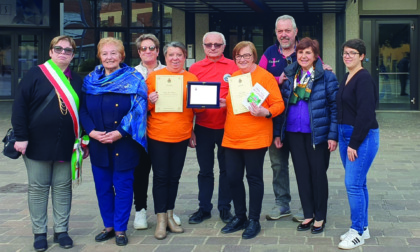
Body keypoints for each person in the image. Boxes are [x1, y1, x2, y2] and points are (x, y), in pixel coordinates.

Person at [12, 35, 84, 251]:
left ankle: (61, 231)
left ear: (72, 55)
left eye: (68, 50)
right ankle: (39, 233)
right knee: (38, 188)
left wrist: (85, 139)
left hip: (66, 143)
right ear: (51, 51)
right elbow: (19, 107)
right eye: (59, 49)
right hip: (35, 142)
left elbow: (83, 112)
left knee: (63, 188)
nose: (63, 53)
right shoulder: (35, 74)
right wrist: (21, 137)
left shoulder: (77, 80)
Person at [80, 37, 148, 246]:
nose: (109, 57)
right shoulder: (90, 80)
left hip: (124, 143)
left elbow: (139, 109)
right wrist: (91, 131)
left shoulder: (134, 78)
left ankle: (120, 229)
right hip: (98, 142)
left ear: (121, 56)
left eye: (114, 53)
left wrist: (121, 131)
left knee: (123, 187)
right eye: (105, 53)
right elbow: (82, 108)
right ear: (99, 56)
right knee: (103, 187)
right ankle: (108, 226)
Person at [221, 41, 284, 239]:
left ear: (254, 57)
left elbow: (279, 104)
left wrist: (266, 112)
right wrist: (222, 103)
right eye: (238, 56)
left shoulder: (264, 77)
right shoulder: (234, 78)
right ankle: (240, 216)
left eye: (246, 56)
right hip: (232, 137)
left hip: (255, 137)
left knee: (253, 178)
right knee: (232, 178)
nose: (242, 59)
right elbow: (232, 104)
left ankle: (254, 220)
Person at [274, 37, 338, 235]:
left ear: (315, 56)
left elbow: (335, 107)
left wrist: (332, 135)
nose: (303, 56)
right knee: (301, 175)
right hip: (294, 133)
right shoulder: (290, 74)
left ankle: (320, 217)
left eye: (308, 53)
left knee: (318, 175)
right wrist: (278, 133)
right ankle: (308, 214)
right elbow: (282, 104)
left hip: (317, 134)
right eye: (300, 52)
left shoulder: (326, 76)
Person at [147, 41, 202, 240]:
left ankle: (170, 214)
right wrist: (149, 100)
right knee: (161, 177)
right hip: (158, 135)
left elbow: (198, 109)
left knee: (174, 177)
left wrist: (207, 101)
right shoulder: (154, 77)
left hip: (181, 135)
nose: (175, 58)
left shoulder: (191, 77)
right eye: (171, 55)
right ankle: (160, 219)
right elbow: (141, 107)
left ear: (185, 56)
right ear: (165, 57)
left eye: (179, 54)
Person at [187, 31, 237, 224]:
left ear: (224, 46)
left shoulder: (233, 66)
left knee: (227, 170)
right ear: (203, 46)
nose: (213, 48)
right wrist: (190, 129)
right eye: (209, 45)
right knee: (205, 170)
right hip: (203, 127)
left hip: (228, 127)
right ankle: (204, 208)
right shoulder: (195, 68)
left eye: (217, 44)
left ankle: (225, 207)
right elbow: (189, 100)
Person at [132, 33, 181, 229]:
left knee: (166, 173)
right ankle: (141, 210)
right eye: (143, 48)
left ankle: (168, 210)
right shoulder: (132, 73)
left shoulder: (170, 70)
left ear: (158, 50)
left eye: (151, 48)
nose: (147, 51)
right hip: (139, 132)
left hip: (164, 130)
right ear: (138, 52)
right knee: (141, 171)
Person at [337, 39, 379, 250]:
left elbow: (366, 113)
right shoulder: (346, 76)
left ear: (362, 56)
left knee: (352, 184)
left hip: (361, 137)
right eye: (345, 52)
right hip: (346, 135)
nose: (348, 56)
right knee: (359, 183)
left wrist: (354, 142)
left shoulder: (363, 78)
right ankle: (363, 227)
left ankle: (357, 232)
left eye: (353, 53)